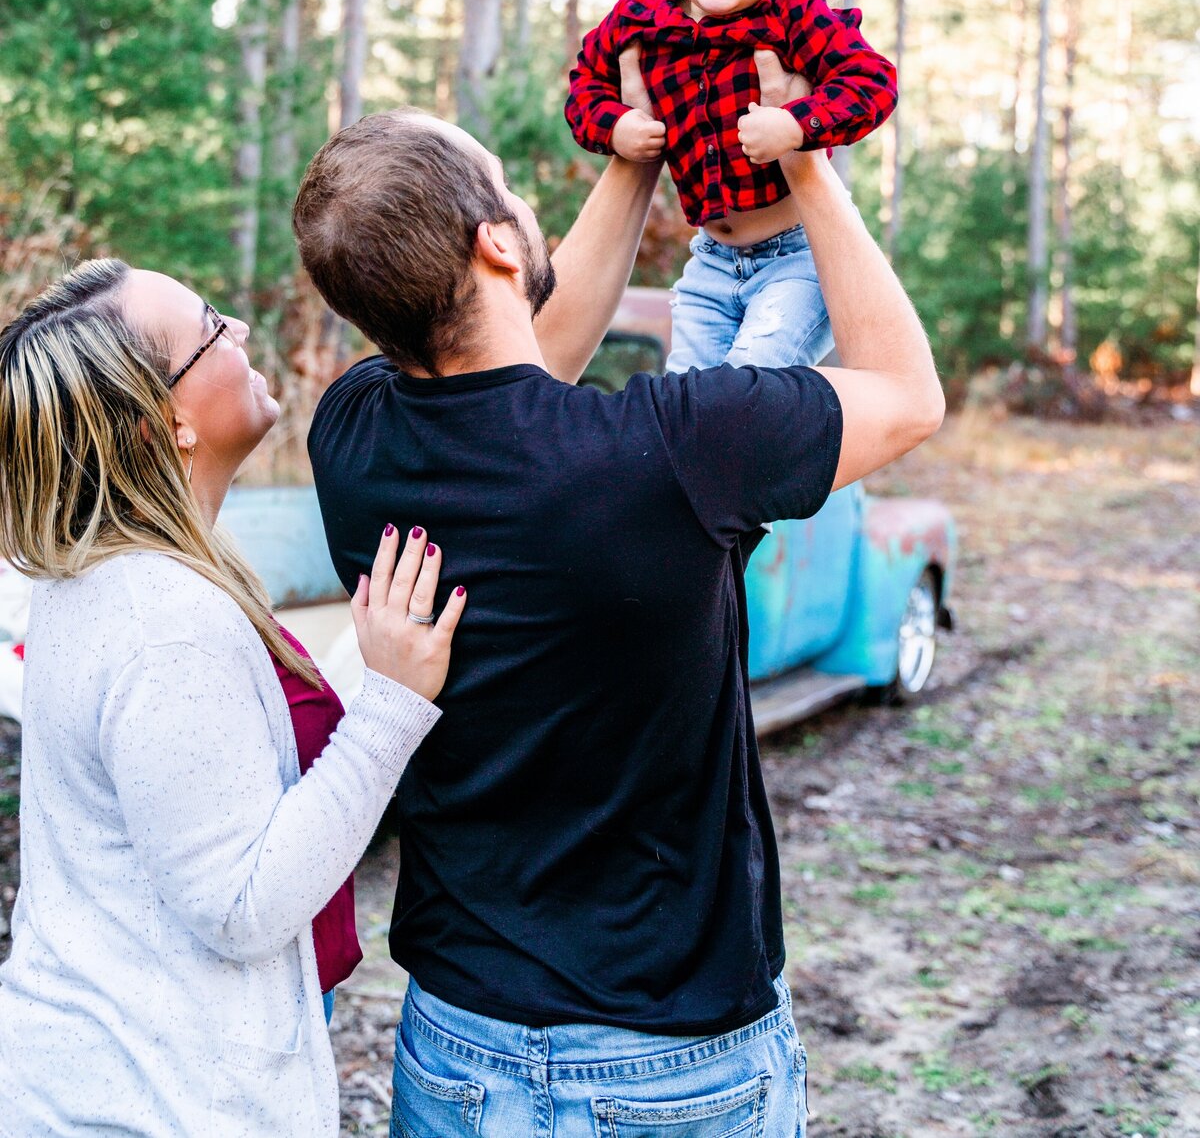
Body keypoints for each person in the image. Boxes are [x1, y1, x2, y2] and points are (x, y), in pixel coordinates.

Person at [292, 102, 943, 1138]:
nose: (523, 198)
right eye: (508, 186)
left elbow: (514, 369)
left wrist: (634, 166)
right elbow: (908, 394)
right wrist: (811, 174)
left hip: (457, 1039)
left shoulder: (353, 435)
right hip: (674, 1061)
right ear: (496, 241)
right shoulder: (683, 449)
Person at [0, 260, 465, 1138]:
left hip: (106, 1076)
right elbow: (240, 901)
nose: (242, 334)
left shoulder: (105, 571)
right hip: (153, 1105)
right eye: (213, 327)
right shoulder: (161, 618)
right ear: (163, 423)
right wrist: (392, 703)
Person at [565, 0, 898, 372]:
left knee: (749, 388)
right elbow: (585, 88)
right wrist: (616, 127)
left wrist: (797, 125)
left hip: (799, 258)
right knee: (688, 400)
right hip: (711, 263)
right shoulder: (641, 17)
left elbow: (872, 82)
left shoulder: (795, 16)